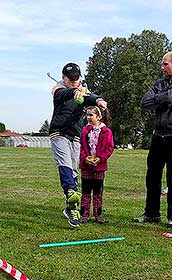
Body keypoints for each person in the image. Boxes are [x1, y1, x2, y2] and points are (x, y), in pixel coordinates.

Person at [133, 52, 172, 228]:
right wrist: (164, 99)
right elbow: (145, 102)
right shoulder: (159, 83)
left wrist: (162, 98)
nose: (162, 67)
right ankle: (152, 213)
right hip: (158, 135)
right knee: (152, 176)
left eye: (165, 64)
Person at [50, 62, 107, 228]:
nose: (75, 80)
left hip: (75, 136)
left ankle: (70, 207)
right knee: (66, 166)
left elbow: (89, 98)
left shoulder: (83, 90)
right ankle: (73, 204)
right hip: (59, 133)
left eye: (77, 78)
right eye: (71, 78)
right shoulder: (58, 89)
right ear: (64, 78)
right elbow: (63, 94)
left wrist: (99, 100)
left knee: (74, 171)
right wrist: (75, 91)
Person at [79, 106, 114, 224]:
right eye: (87, 115)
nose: (88, 117)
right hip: (86, 166)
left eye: (91, 115)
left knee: (98, 192)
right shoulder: (84, 130)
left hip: (99, 167)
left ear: (99, 117)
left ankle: (98, 214)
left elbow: (109, 148)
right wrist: (85, 158)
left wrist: (100, 159)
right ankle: (84, 214)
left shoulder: (106, 132)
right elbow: (80, 147)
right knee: (85, 191)